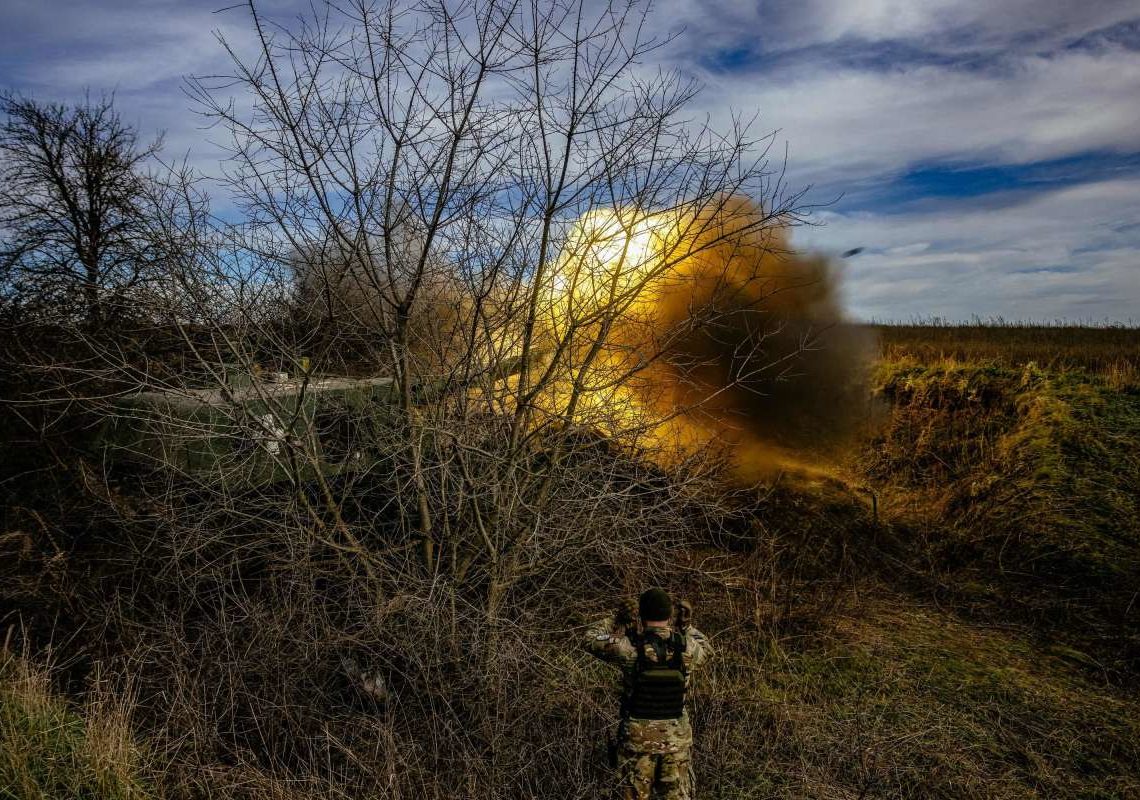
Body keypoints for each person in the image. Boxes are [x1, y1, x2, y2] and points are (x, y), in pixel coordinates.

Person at [584, 587, 713, 800]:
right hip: (676, 742)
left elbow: (590, 639)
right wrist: (686, 626)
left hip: (637, 742)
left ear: (641, 616)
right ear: (669, 615)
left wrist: (617, 620)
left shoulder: (628, 647)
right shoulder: (687, 647)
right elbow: (707, 649)